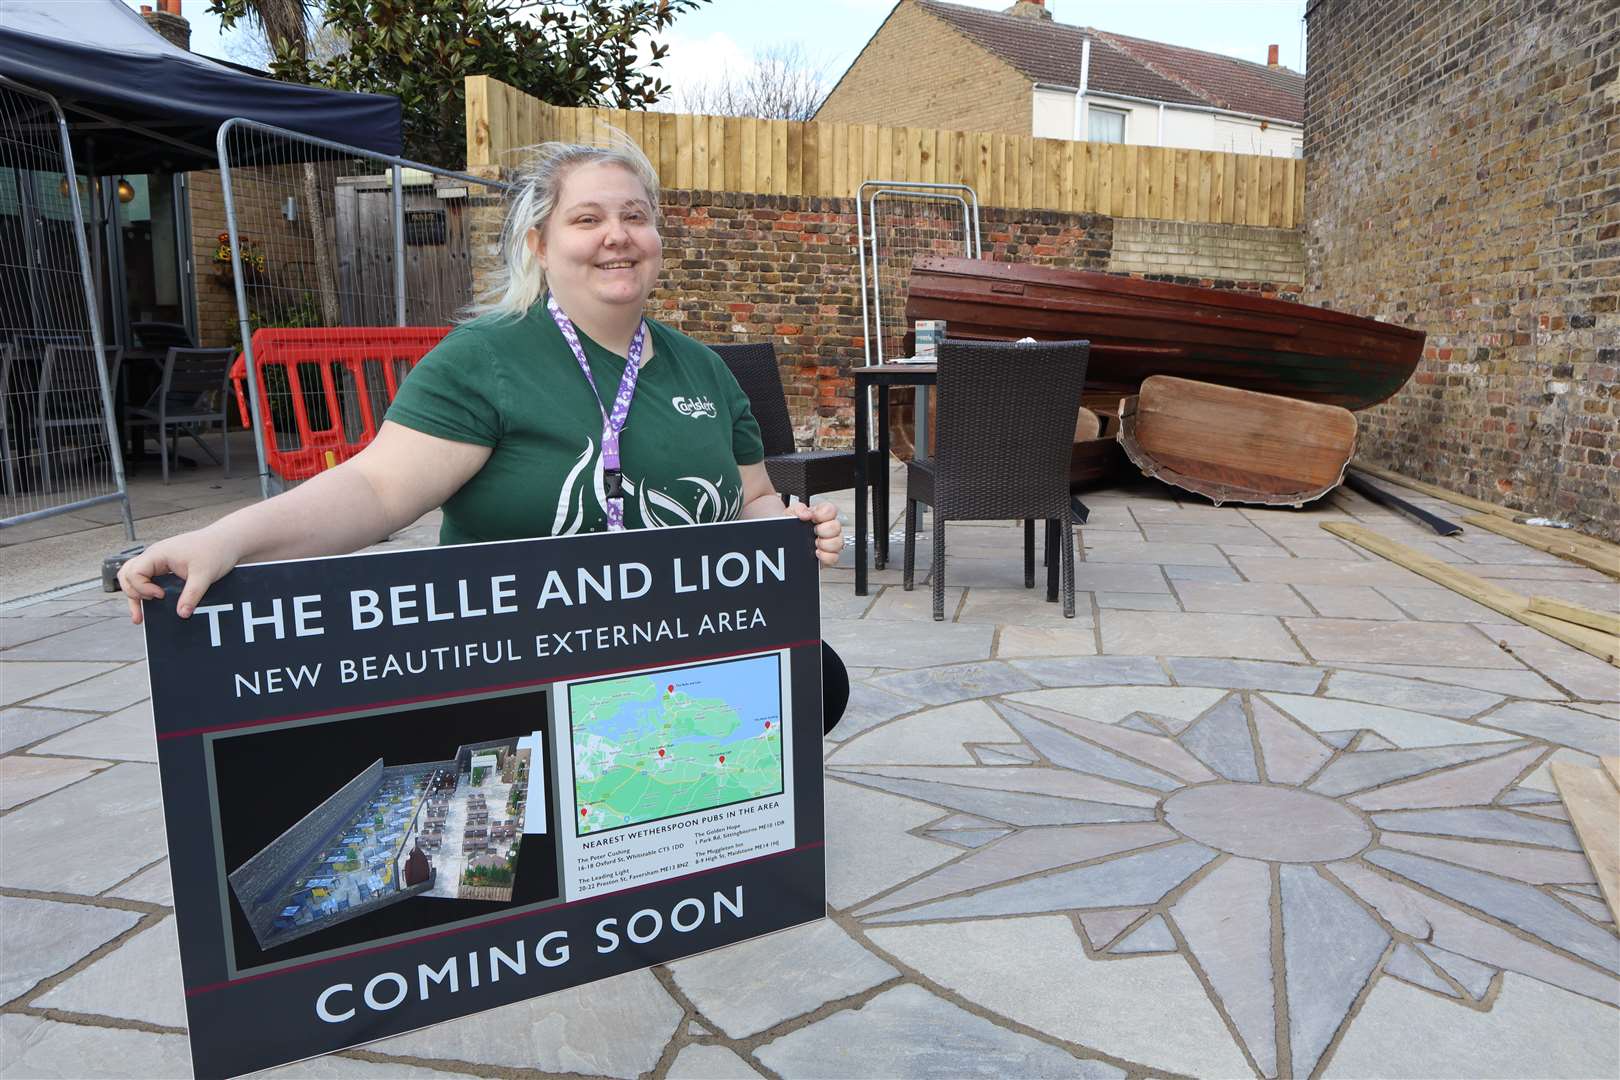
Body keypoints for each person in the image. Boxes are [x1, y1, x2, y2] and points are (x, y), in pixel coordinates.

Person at [118, 130, 849, 730]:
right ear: (539, 241)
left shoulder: (704, 371)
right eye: (588, 219)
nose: (617, 238)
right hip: (527, 654)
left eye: (634, 217)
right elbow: (375, 490)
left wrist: (785, 523)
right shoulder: (487, 358)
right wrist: (228, 539)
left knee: (821, 679)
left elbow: (750, 499)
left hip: (678, 636)